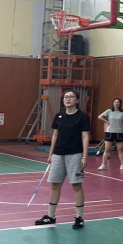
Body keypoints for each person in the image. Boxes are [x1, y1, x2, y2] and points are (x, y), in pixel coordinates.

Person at [35, 89, 91, 229]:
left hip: (75, 154)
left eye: (71, 97)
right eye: (66, 97)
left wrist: (84, 156)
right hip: (58, 154)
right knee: (55, 185)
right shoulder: (59, 116)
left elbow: (85, 137)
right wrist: (51, 154)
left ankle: (79, 218)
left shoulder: (83, 117)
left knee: (76, 185)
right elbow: (55, 135)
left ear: (77, 100)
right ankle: (51, 216)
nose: (68, 99)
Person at [98, 98, 123, 171]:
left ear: (120, 104)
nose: (116, 103)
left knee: (120, 149)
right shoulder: (109, 111)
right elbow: (100, 117)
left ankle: (122, 165)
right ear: (113, 103)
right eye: (115, 102)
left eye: (118, 102)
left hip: (119, 132)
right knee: (107, 149)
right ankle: (103, 164)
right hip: (110, 132)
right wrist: (107, 121)